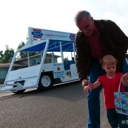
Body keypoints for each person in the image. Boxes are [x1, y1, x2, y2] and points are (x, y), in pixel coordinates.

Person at [74, 10, 128, 128]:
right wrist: (83, 79)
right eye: (81, 29)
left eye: (87, 26)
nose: (85, 31)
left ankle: (124, 122)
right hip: (97, 63)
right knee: (91, 92)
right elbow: (81, 59)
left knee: (123, 88)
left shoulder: (108, 26)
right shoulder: (80, 38)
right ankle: (93, 126)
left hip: (115, 61)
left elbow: (124, 41)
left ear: (92, 20)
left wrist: (115, 62)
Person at [84, 55, 128, 128]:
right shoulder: (101, 78)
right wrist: (88, 86)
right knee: (113, 123)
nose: (111, 69)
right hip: (109, 105)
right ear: (103, 67)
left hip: (121, 101)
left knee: (124, 123)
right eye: (108, 68)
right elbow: (94, 85)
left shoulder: (120, 75)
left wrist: (124, 78)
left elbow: (126, 84)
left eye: (113, 67)